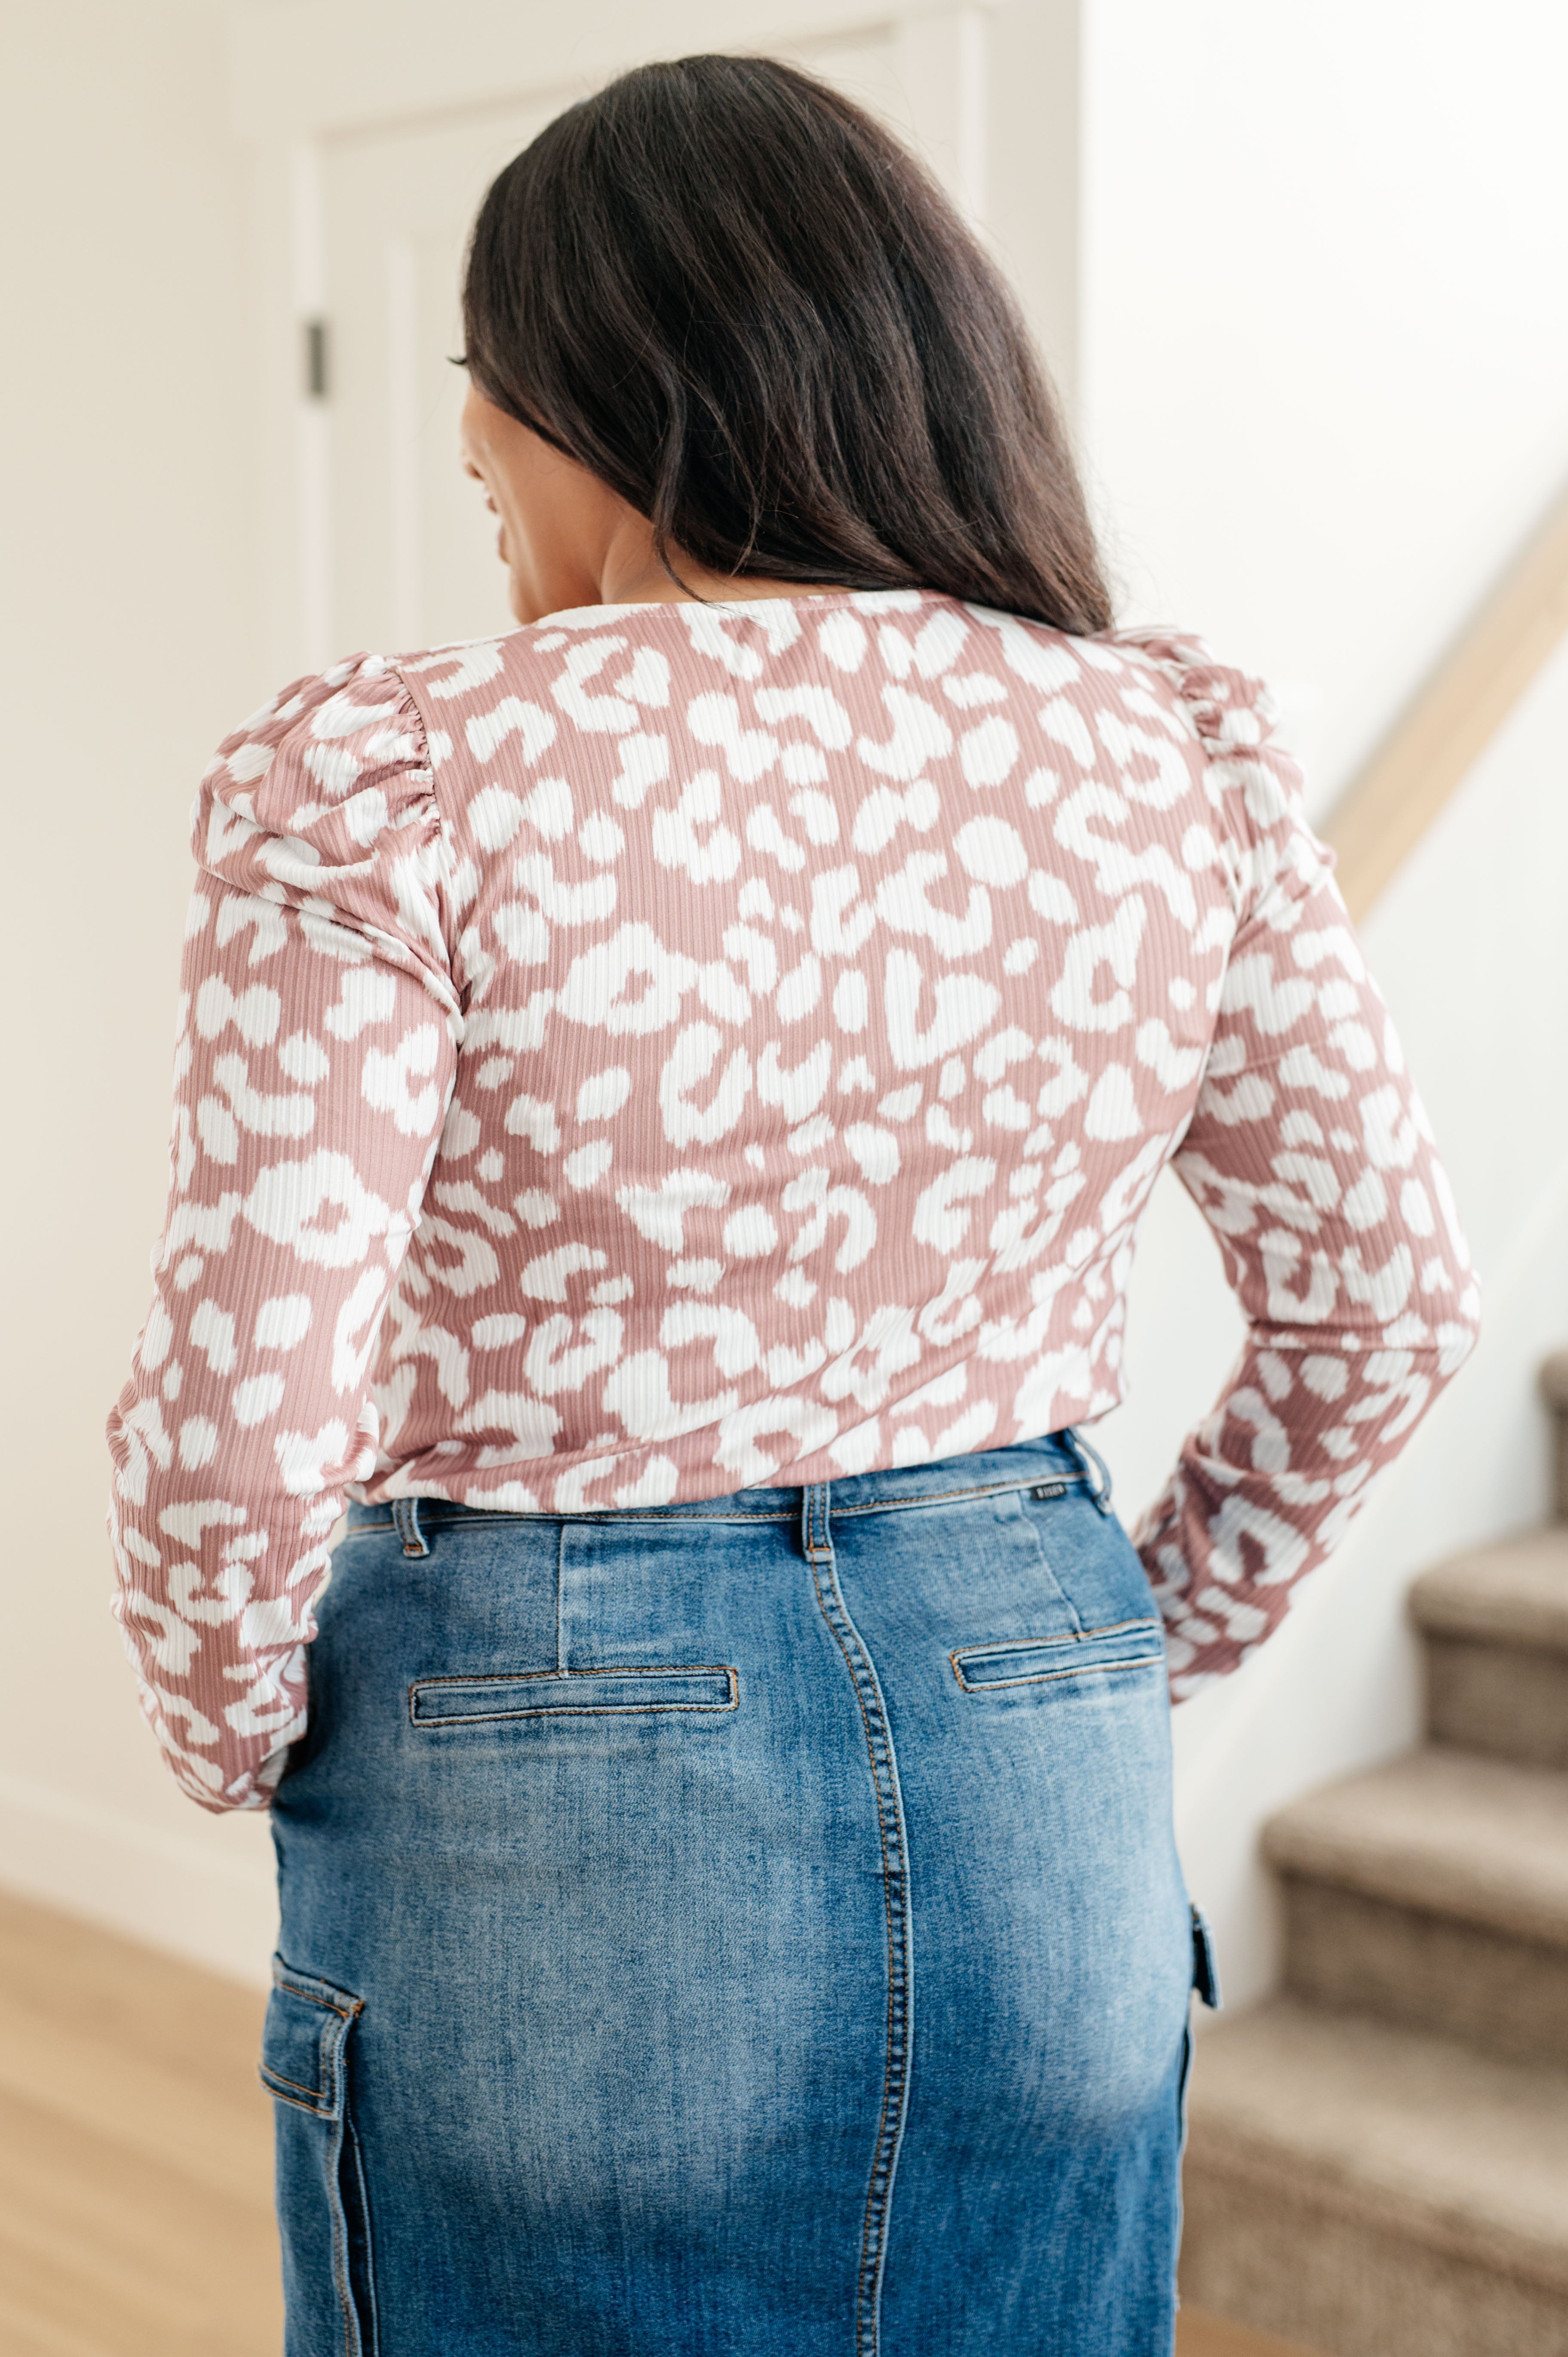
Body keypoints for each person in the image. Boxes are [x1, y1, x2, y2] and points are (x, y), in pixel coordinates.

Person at [107, 53, 1479, 2357]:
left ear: (578, 411)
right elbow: (1390, 1305)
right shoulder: (1172, 746)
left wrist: (239, 1728)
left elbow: (246, 1420)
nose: (500, 524)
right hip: (1040, 1722)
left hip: (535, 1751)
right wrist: (1134, 1629)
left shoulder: (396, 774)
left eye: (485, 460)